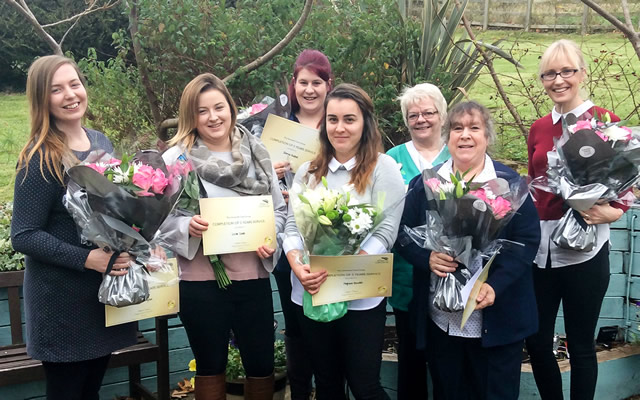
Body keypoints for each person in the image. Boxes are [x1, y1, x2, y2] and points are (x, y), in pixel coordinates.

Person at [10, 55, 137, 400]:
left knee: (91, 391)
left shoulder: (101, 143)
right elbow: (23, 234)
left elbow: (113, 210)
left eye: (74, 84)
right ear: (42, 99)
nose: (70, 95)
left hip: (100, 298)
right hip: (61, 305)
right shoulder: (39, 158)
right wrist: (87, 259)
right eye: (56, 89)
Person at [397, 101, 541, 399]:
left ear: (487, 137)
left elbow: (526, 243)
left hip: (496, 319)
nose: (465, 135)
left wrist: (495, 286)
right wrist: (428, 258)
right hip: (443, 322)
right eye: (457, 128)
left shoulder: (510, 186)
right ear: (447, 137)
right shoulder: (426, 184)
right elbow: (401, 235)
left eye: (474, 128)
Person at [162, 73, 287, 400]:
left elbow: (280, 210)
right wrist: (185, 227)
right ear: (191, 116)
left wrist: (271, 237)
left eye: (219, 107)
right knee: (209, 365)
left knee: (260, 365)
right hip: (201, 282)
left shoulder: (258, 152)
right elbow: (157, 222)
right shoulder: (177, 159)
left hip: (252, 277)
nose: (213, 117)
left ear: (231, 108)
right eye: (202, 111)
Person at [282, 83, 405, 400]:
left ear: (365, 123)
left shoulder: (384, 169)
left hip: (361, 298)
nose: (340, 127)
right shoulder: (308, 171)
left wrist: (346, 270)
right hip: (312, 291)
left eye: (349, 119)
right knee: (326, 382)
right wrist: (297, 265)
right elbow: (292, 226)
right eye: (332, 119)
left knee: (365, 384)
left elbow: (386, 230)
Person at [525, 39, 627, 400]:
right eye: (549, 73)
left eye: (566, 71)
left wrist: (614, 211)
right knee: (536, 342)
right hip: (541, 251)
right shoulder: (538, 128)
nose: (558, 80)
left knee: (581, 345)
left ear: (582, 73)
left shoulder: (604, 121)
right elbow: (534, 185)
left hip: (587, 249)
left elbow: (628, 182)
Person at [272, 49, 333, 400]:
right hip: (288, 237)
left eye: (317, 82)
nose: (309, 90)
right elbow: (256, 180)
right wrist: (272, 173)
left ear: (328, 85)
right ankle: (299, 390)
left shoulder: (340, 121)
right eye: (303, 82)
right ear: (293, 85)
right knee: (295, 321)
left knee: (330, 323)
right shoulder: (276, 125)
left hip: (334, 237)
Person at [387, 82, 450, 400]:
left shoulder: (460, 152)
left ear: (442, 114)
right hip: (406, 274)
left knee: (446, 363)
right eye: (414, 114)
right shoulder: (391, 159)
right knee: (410, 359)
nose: (422, 119)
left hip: (451, 277)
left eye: (429, 112)